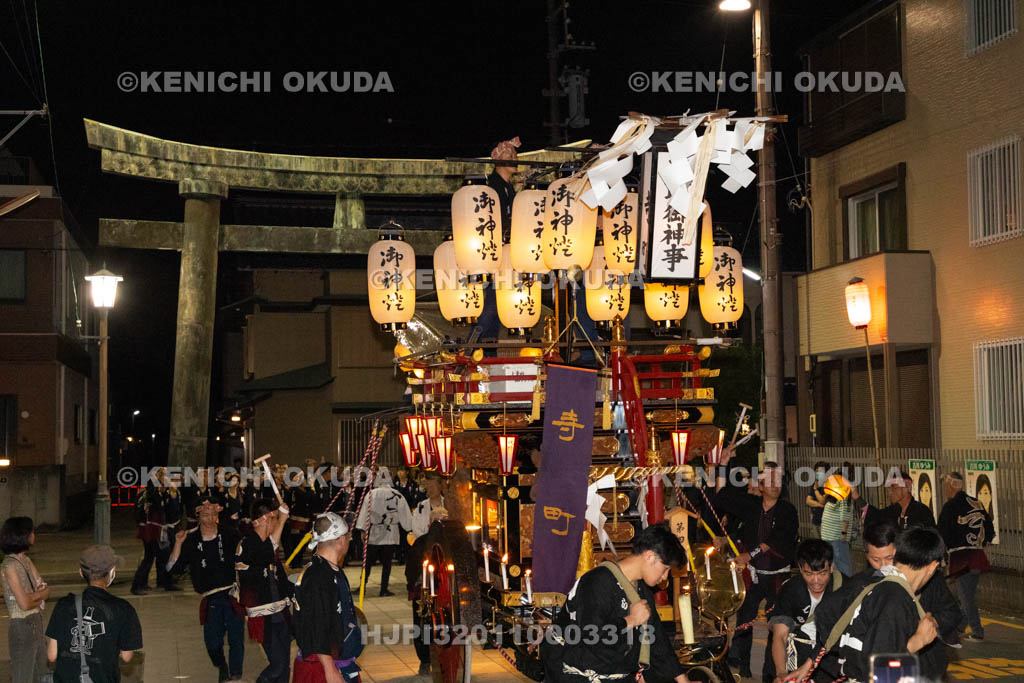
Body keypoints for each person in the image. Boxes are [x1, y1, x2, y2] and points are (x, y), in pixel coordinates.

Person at [792, 526, 944, 683]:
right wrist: (917, 641)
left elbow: (827, 613)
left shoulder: (875, 584)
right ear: (932, 566)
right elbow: (879, 672)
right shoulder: (895, 598)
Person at [551, 522, 690, 683]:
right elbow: (591, 637)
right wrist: (630, 620)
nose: (665, 577)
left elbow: (657, 639)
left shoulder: (642, 590)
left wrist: (682, 679)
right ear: (649, 556)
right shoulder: (597, 581)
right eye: (665, 568)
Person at [713, 460, 799, 679]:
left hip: (777, 577)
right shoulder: (752, 506)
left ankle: (772, 673)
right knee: (744, 619)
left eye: (778, 480)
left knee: (777, 623)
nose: (774, 484)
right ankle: (743, 667)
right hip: (754, 575)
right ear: (760, 486)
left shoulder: (788, 510)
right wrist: (722, 466)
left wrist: (749, 554)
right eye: (769, 481)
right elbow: (721, 498)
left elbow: (777, 538)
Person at [167, 493, 245, 682]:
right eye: (205, 514)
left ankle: (235, 675)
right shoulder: (191, 540)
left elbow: (246, 556)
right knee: (212, 643)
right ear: (198, 515)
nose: (209, 518)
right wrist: (177, 543)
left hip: (232, 594)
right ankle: (221, 664)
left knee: (236, 639)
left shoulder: (230, 534)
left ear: (218, 512)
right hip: (211, 598)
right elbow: (173, 569)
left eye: (213, 513)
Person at [45, 545, 143, 683]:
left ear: (81, 572)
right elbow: (126, 656)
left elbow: (51, 655)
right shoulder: (123, 609)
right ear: (112, 572)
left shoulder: (63, 605)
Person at [292, 513, 364, 683]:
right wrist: (329, 669)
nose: (348, 540)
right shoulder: (318, 577)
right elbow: (316, 625)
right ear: (340, 540)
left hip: (339, 662)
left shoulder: (330, 569)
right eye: (348, 537)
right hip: (324, 666)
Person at [766, 540, 844, 683]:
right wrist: (782, 673)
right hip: (794, 650)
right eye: (808, 573)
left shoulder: (844, 589)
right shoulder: (791, 589)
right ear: (800, 569)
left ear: (832, 567)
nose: (816, 581)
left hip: (827, 655)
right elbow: (780, 635)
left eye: (822, 573)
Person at [236, 498, 294, 683]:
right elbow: (266, 553)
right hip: (263, 614)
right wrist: (283, 520)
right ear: (264, 519)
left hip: (281, 610)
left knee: (284, 666)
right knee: (278, 665)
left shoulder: (268, 545)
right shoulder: (247, 544)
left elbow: (271, 549)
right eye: (274, 518)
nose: (277, 522)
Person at [938, 472, 994, 642]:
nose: (945, 489)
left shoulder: (950, 507)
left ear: (952, 485)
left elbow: (942, 533)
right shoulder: (976, 503)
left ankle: (977, 631)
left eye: (946, 485)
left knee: (965, 596)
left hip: (961, 557)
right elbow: (990, 531)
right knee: (966, 593)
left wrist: (941, 556)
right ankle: (960, 626)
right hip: (977, 555)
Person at [1, 516, 51, 682]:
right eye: (32, 531)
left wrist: (35, 596)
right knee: (23, 677)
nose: (33, 535)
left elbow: (45, 590)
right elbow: (24, 604)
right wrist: (38, 595)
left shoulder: (26, 561)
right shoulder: (9, 566)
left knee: (41, 674)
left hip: (36, 622)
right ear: (23, 535)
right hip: (21, 627)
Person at [355, 470, 413, 597]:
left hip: (375, 531)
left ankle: (362, 587)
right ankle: (383, 589)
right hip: (391, 532)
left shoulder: (371, 494)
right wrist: (409, 527)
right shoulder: (397, 495)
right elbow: (405, 516)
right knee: (387, 563)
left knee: (368, 562)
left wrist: (362, 529)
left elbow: (364, 513)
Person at [852, 470, 934, 531]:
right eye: (888, 489)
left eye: (894, 487)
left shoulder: (922, 512)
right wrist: (856, 496)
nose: (890, 492)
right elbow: (874, 515)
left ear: (908, 487)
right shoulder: (892, 511)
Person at [818, 484, 853, 577]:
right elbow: (822, 501)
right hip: (828, 537)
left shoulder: (843, 497)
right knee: (833, 564)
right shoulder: (833, 497)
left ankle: (846, 586)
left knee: (841, 564)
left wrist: (843, 533)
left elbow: (844, 516)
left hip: (836, 538)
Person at [410, 473, 447, 540]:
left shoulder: (447, 504)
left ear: (440, 487)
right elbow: (415, 528)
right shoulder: (421, 506)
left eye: (432, 486)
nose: (430, 490)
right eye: (428, 487)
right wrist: (426, 538)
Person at [804, 462, 828, 539]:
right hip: (815, 519)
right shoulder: (815, 484)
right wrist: (819, 505)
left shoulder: (829, 485)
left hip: (826, 522)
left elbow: (822, 501)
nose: (818, 474)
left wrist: (815, 490)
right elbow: (808, 501)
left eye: (820, 472)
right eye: (816, 472)